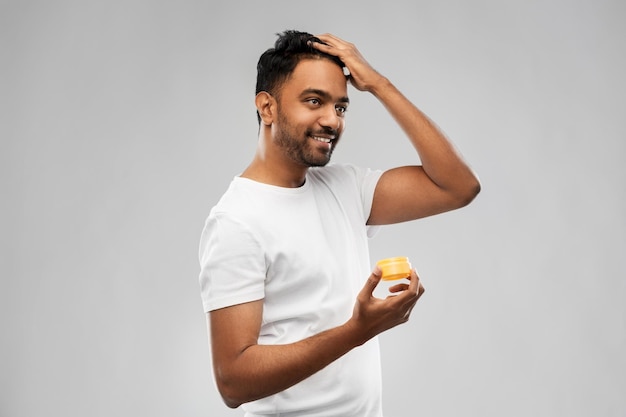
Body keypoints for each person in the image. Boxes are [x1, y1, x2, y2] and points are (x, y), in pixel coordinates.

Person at [198, 30, 480, 416]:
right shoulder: (237, 222)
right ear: (267, 108)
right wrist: (357, 331)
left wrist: (380, 85)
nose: (331, 120)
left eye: (341, 107)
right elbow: (233, 382)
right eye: (314, 101)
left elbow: (459, 186)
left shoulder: (345, 187)